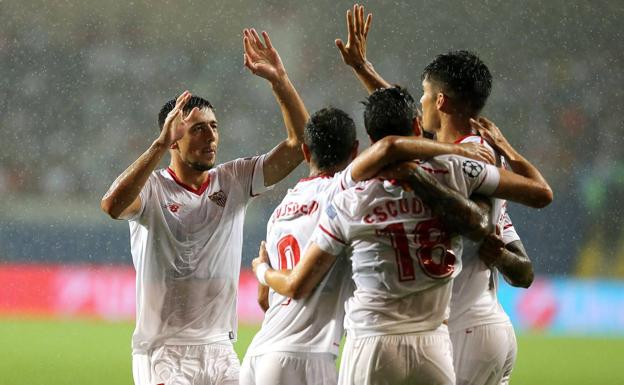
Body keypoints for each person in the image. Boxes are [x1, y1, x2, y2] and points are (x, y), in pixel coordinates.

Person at [252, 87, 552, 385]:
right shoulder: (458, 171)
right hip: (433, 344)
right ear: (417, 126)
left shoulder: (347, 199)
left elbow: (298, 284)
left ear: (369, 142)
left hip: (372, 343)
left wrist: (263, 272)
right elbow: (539, 194)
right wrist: (492, 148)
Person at [336, 5, 541, 384]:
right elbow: (404, 123)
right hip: (485, 323)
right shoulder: (458, 151)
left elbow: (482, 219)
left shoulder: (470, 156)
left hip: (465, 327)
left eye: (427, 94)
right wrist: (362, 67)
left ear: (442, 102)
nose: (422, 103)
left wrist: (412, 177)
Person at [100, 29, 309, 385]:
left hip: (220, 349)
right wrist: (156, 146)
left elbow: (300, 144)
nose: (210, 136)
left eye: (213, 127)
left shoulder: (234, 179)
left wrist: (280, 81)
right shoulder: (152, 188)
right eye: (197, 129)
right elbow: (112, 206)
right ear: (173, 139)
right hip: (163, 353)